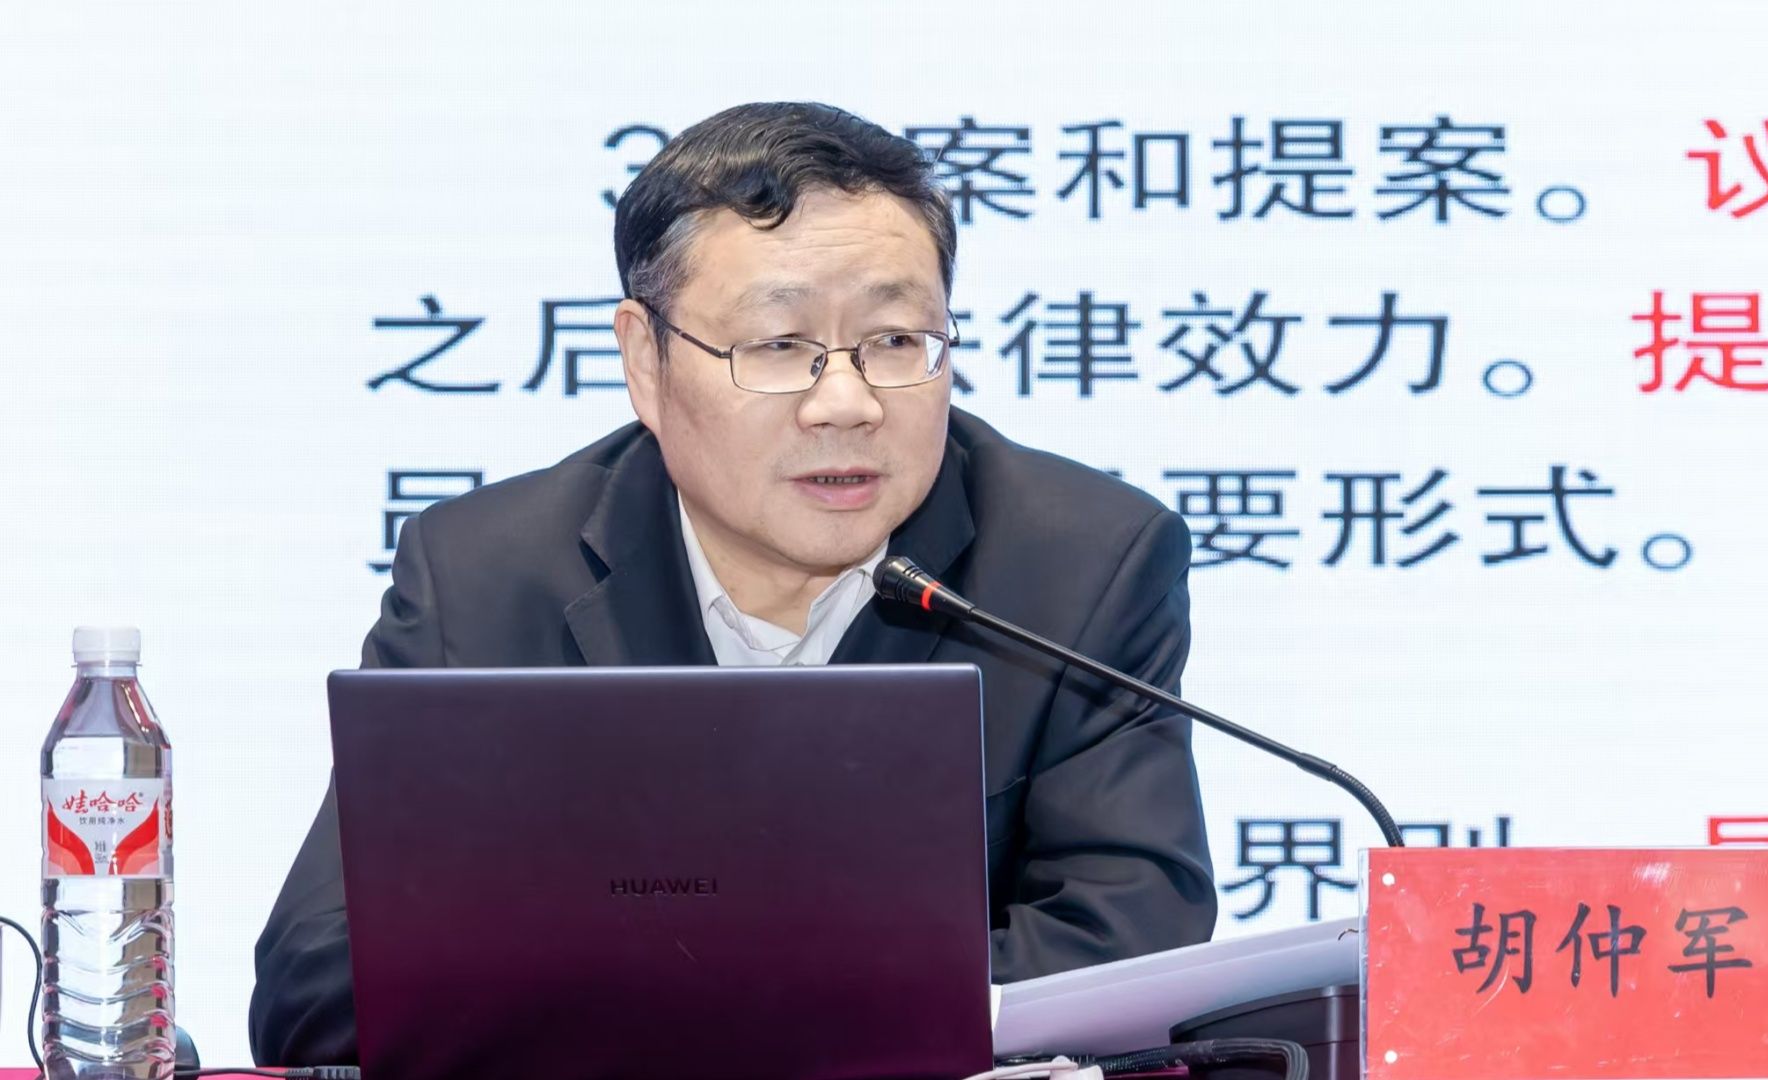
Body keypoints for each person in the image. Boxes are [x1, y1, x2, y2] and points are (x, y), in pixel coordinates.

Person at [250, 101, 1216, 1066]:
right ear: (645, 360)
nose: (847, 403)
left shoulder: (1083, 564)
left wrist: (672, 999)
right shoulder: (483, 577)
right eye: (778, 346)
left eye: (895, 341)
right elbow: (319, 986)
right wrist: (764, 1008)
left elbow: (1129, 947)